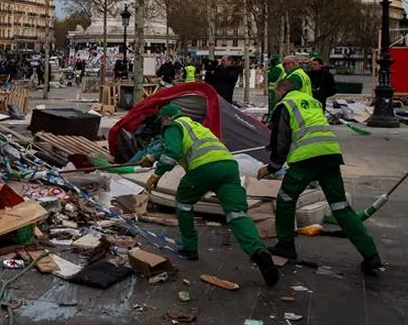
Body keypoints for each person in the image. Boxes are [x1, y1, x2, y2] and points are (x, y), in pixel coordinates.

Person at [142, 104, 279, 286]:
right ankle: (258, 251)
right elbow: (172, 147)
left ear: (167, 118)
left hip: (204, 168)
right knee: (237, 213)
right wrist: (151, 158)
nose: (162, 124)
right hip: (229, 166)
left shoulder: (172, 126)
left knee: (184, 203)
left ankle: (190, 249)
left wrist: (157, 174)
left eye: (162, 121)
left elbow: (172, 152)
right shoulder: (196, 126)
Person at [259, 79, 383, 272]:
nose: (275, 95)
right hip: (330, 154)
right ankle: (371, 255)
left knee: (285, 200)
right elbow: (306, 129)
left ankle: (285, 245)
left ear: (282, 90)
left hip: (306, 159)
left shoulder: (285, 105)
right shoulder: (312, 102)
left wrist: (272, 167)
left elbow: (281, 139)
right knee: (341, 206)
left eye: (275, 92)